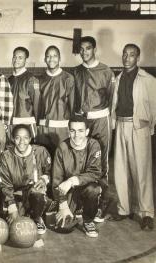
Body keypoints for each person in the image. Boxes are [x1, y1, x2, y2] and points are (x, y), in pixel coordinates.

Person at [111, 44, 156, 230]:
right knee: (120, 170)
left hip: (139, 127)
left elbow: (154, 107)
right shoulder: (118, 78)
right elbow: (114, 104)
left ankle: (146, 213)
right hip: (120, 125)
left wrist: (148, 126)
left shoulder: (148, 79)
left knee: (142, 171)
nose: (127, 58)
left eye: (132, 55)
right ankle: (124, 209)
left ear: (138, 58)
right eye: (125, 54)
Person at [73, 36, 115, 221]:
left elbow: (112, 98)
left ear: (94, 49)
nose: (84, 52)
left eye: (88, 48)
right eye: (81, 49)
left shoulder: (106, 71)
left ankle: (102, 202)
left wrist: (109, 119)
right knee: (83, 160)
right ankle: (85, 201)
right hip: (83, 120)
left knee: (102, 161)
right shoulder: (76, 71)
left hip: (101, 119)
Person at [53, 115, 102, 237]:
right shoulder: (62, 148)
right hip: (68, 192)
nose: (76, 135)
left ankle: (88, 220)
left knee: (94, 189)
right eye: (72, 131)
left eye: (80, 131)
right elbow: (56, 180)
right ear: (68, 131)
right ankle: (74, 210)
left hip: (86, 188)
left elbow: (95, 173)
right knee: (64, 227)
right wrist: (63, 205)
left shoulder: (94, 145)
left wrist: (72, 180)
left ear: (87, 131)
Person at [0, 124, 52, 234]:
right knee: (13, 223)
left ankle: (37, 217)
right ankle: (21, 211)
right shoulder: (6, 156)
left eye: (25, 138)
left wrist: (43, 179)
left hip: (33, 192)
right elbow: (5, 183)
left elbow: (50, 171)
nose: (22, 141)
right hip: (15, 194)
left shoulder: (40, 151)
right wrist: (12, 206)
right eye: (18, 137)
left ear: (30, 139)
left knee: (38, 192)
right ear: (13, 139)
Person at [36, 45, 75, 156]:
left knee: (62, 160)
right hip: (43, 128)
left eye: (54, 56)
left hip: (62, 128)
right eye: (48, 56)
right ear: (44, 59)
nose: (51, 59)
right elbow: (37, 105)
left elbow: (72, 105)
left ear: (59, 58)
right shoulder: (40, 79)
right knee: (44, 160)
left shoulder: (68, 78)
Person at [8, 47, 39, 140]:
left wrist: (36, 123)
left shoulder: (31, 79)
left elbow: (37, 104)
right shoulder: (8, 80)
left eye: (20, 57)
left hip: (27, 123)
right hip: (12, 123)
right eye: (14, 57)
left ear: (26, 60)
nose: (16, 60)